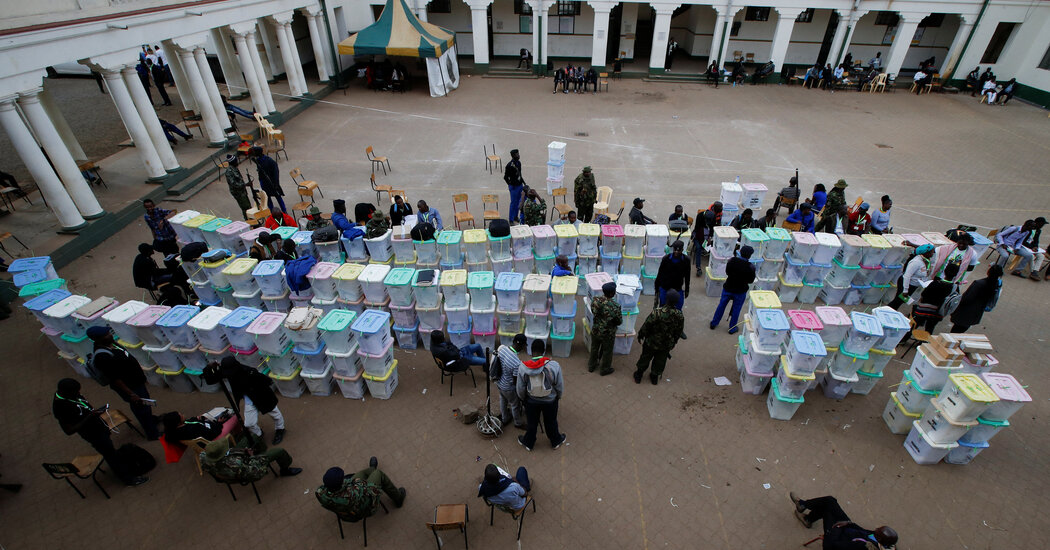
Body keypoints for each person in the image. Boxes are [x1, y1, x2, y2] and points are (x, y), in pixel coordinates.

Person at [52, 379, 149, 486]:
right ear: (66, 392)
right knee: (110, 456)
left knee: (112, 452)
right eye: (75, 392)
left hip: (99, 426)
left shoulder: (72, 395)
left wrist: (95, 413)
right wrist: (89, 417)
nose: (78, 393)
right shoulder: (60, 407)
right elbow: (68, 431)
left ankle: (124, 467)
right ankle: (128, 479)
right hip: (93, 434)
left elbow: (85, 406)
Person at [86, 326, 161, 440]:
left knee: (144, 405)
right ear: (98, 339)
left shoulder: (112, 344)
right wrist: (131, 394)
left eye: (108, 333)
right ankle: (152, 433)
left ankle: (151, 420)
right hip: (130, 387)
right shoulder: (102, 356)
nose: (110, 335)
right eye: (106, 335)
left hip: (136, 381)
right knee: (141, 408)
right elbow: (115, 378)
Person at [790, 493, 898, 550]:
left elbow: (836, 546)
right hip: (847, 529)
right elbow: (862, 530)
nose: (876, 529)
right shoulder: (885, 543)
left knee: (826, 510)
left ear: (879, 539)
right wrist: (849, 523)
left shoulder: (862, 547)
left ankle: (807, 517)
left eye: (878, 530)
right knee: (830, 501)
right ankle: (803, 506)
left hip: (833, 541)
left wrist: (837, 528)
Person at [219, 356, 287, 444]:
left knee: (275, 414)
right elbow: (212, 378)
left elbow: (265, 380)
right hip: (250, 400)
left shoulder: (249, 372)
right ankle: (259, 434)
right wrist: (211, 368)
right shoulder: (230, 372)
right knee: (249, 423)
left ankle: (280, 429)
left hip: (263, 396)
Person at [515, 339, 566, 451]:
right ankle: (555, 441)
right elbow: (559, 385)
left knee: (532, 423)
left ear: (531, 350)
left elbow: (520, 387)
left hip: (531, 401)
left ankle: (528, 443)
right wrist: (558, 396)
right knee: (551, 421)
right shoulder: (554, 365)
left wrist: (523, 399)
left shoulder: (523, 367)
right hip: (550, 401)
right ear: (544, 351)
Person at [317, 459, 406, 521]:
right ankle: (399, 499)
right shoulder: (353, 493)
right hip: (366, 506)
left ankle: (372, 469)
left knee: (363, 473)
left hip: (345, 513)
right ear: (341, 483)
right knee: (378, 474)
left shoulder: (320, 493)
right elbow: (364, 486)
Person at [634, 289, 685, 385]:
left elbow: (647, 325)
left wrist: (641, 335)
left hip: (651, 341)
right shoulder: (679, 315)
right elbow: (679, 331)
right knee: (660, 360)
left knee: (645, 357)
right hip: (666, 344)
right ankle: (654, 377)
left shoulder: (657, 312)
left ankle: (639, 375)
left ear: (666, 299)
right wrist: (674, 342)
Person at [201, 435, 302, 480]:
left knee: (252, 437)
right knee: (280, 451)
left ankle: (263, 451)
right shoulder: (236, 463)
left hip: (230, 463)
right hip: (249, 467)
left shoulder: (203, 458)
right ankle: (284, 470)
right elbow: (256, 471)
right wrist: (252, 456)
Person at [710, 245, 756, 334]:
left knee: (721, 305)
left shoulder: (732, 260)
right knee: (736, 309)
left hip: (728, 288)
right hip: (740, 291)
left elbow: (727, 272)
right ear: (750, 256)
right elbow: (750, 281)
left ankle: (714, 323)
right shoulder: (751, 267)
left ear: (740, 252)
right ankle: (732, 328)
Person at [950, 265, 1003, 333]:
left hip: (965, 312)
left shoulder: (979, 283)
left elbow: (966, 298)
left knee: (955, 331)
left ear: (988, 272)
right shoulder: (996, 285)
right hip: (975, 314)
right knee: (960, 331)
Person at [911, 263, 960, 334]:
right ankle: (926, 340)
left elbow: (923, 294)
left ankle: (905, 338)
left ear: (945, 271)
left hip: (923, 309)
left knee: (915, 325)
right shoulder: (955, 288)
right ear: (956, 274)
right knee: (929, 329)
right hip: (938, 313)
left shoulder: (935, 283)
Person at [493, 334, 527, 429]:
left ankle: (505, 418)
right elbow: (516, 382)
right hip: (508, 387)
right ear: (521, 345)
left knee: (503, 400)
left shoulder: (503, 349)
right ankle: (518, 423)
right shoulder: (516, 363)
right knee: (515, 405)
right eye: (524, 345)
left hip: (499, 382)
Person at [588, 282, 621, 376]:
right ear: (612, 293)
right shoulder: (615, 306)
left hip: (596, 330)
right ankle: (605, 369)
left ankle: (591, 366)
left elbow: (593, 311)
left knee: (594, 348)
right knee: (607, 351)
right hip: (608, 333)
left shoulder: (595, 300)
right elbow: (619, 321)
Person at [888, 244, 935, 310]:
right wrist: (905, 290)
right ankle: (886, 311)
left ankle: (891, 311)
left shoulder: (926, 260)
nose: (933, 254)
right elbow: (907, 276)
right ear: (926, 252)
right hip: (906, 284)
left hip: (913, 285)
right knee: (897, 302)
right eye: (932, 252)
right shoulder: (916, 262)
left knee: (900, 301)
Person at [655, 240, 690, 316]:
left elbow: (687, 276)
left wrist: (687, 289)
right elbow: (660, 274)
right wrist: (657, 288)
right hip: (665, 287)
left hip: (677, 288)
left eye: (679, 250)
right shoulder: (666, 259)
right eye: (675, 250)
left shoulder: (686, 260)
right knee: (663, 308)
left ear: (682, 250)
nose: (676, 252)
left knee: (678, 309)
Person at [691, 202, 723, 275]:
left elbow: (712, 229)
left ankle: (714, 266)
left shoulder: (713, 217)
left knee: (714, 247)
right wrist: (703, 240)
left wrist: (709, 238)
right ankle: (698, 267)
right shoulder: (700, 216)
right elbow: (697, 229)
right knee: (698, 248)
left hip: (707, 236)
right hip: (698, 235)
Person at [250, 147, 285, 213]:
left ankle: (284, 210)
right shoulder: (258, 160)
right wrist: (261, 181)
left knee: (278, 196)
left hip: (272, 182)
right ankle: (272, 211)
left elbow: (276, 172)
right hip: (264, 182)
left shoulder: (269, 161)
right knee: (267, 197)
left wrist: (276, 183)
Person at [223, 155, 252, 220]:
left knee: (248, 206)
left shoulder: (234, 168)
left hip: (242, 192)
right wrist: (245, 184)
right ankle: (249, 221)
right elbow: (234, 184)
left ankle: (250, 219)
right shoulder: (229, 172)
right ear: (232, 162)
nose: (237, 162)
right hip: (238, 193)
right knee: (246, 208)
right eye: (236, 161)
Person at [504, 149, 525, 223]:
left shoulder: (519, 163)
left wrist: (523, 182)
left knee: (519, 201)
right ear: (513, 156)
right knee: (513, 203)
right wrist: (510, 184)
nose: (519, 155)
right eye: (517, 154)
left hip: (520, 185)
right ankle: (511, 219)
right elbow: (505, 177)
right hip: (514, 187)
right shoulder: (509, 165)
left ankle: (516, 216)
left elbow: (520, 174)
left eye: (518, 154)